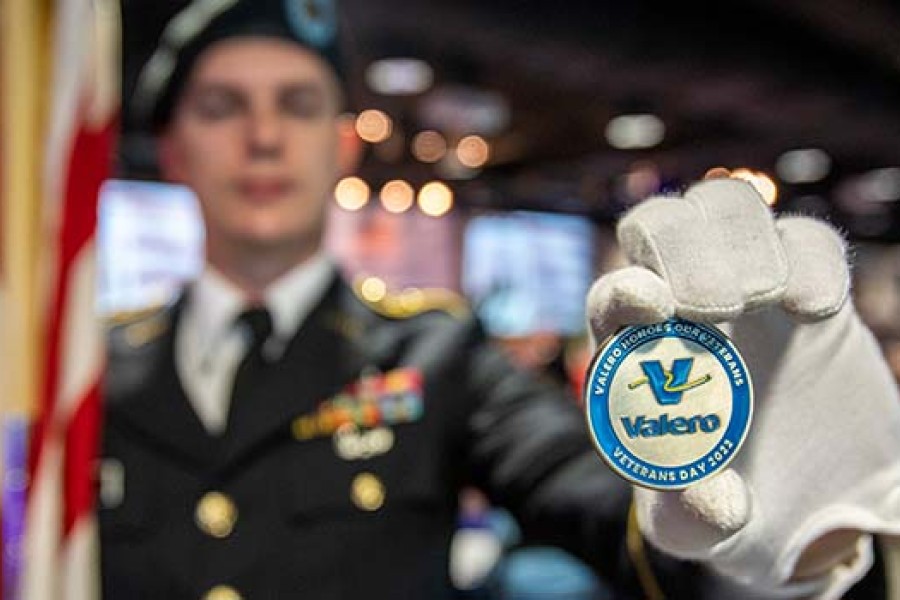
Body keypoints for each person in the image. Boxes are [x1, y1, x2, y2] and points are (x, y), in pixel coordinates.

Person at [101, 0, 900, 598]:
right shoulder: (87, 372)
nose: (264, 136)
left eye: (298, 104)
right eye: (221, 106)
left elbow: (602, 511)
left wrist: (774, 549)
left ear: (343, 141)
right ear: (171, 148)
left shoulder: (436, 353)